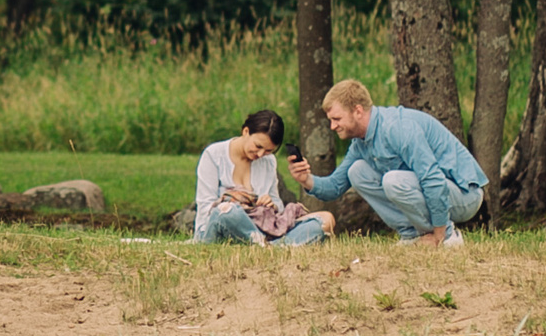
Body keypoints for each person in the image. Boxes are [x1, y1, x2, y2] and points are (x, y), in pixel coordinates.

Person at [287, 78, 485, 246]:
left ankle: (448, 238)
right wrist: (306, 179)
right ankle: (412, 235)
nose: (332, 126)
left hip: (465, 195)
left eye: (337, 118)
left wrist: (440, 234)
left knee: (393, 180)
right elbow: (335, 186)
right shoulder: (360, 143)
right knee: (356, 171)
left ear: (357, 111)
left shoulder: (397, 128)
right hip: (438, 194)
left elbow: (432, 180)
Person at [192, 109, 333, 246]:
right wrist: (238, 202)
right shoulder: (213, 155)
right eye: (258, 146)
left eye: (268, 150)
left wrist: (271, 204)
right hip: (220, 229)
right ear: (246, 132)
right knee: (227, 210)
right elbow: (206, 209)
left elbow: (278, 208)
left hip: (262, 229)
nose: (260, 154)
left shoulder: (269, 161)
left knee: (325, 220)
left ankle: (266, 246)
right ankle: (274, 246)